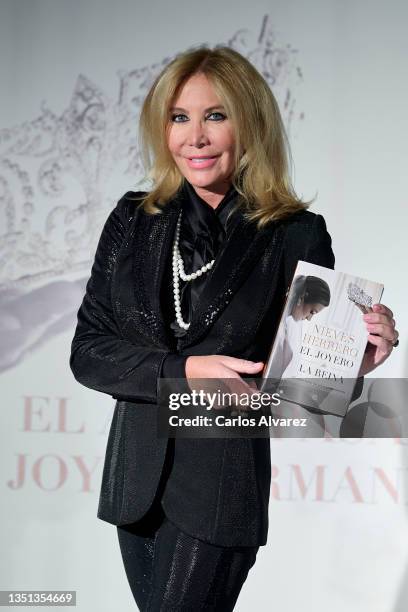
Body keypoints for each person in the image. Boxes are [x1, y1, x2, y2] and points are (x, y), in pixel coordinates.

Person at [69, 45, 399, 611]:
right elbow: (88, 352)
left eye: (215, 116)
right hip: (134, 484)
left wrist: (357, 362)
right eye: (179, 117)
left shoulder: (295, 233)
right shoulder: (133, 219)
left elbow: (302, 390)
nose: (194, 136)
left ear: (250, 125)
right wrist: (184, 369)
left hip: (221, 485)